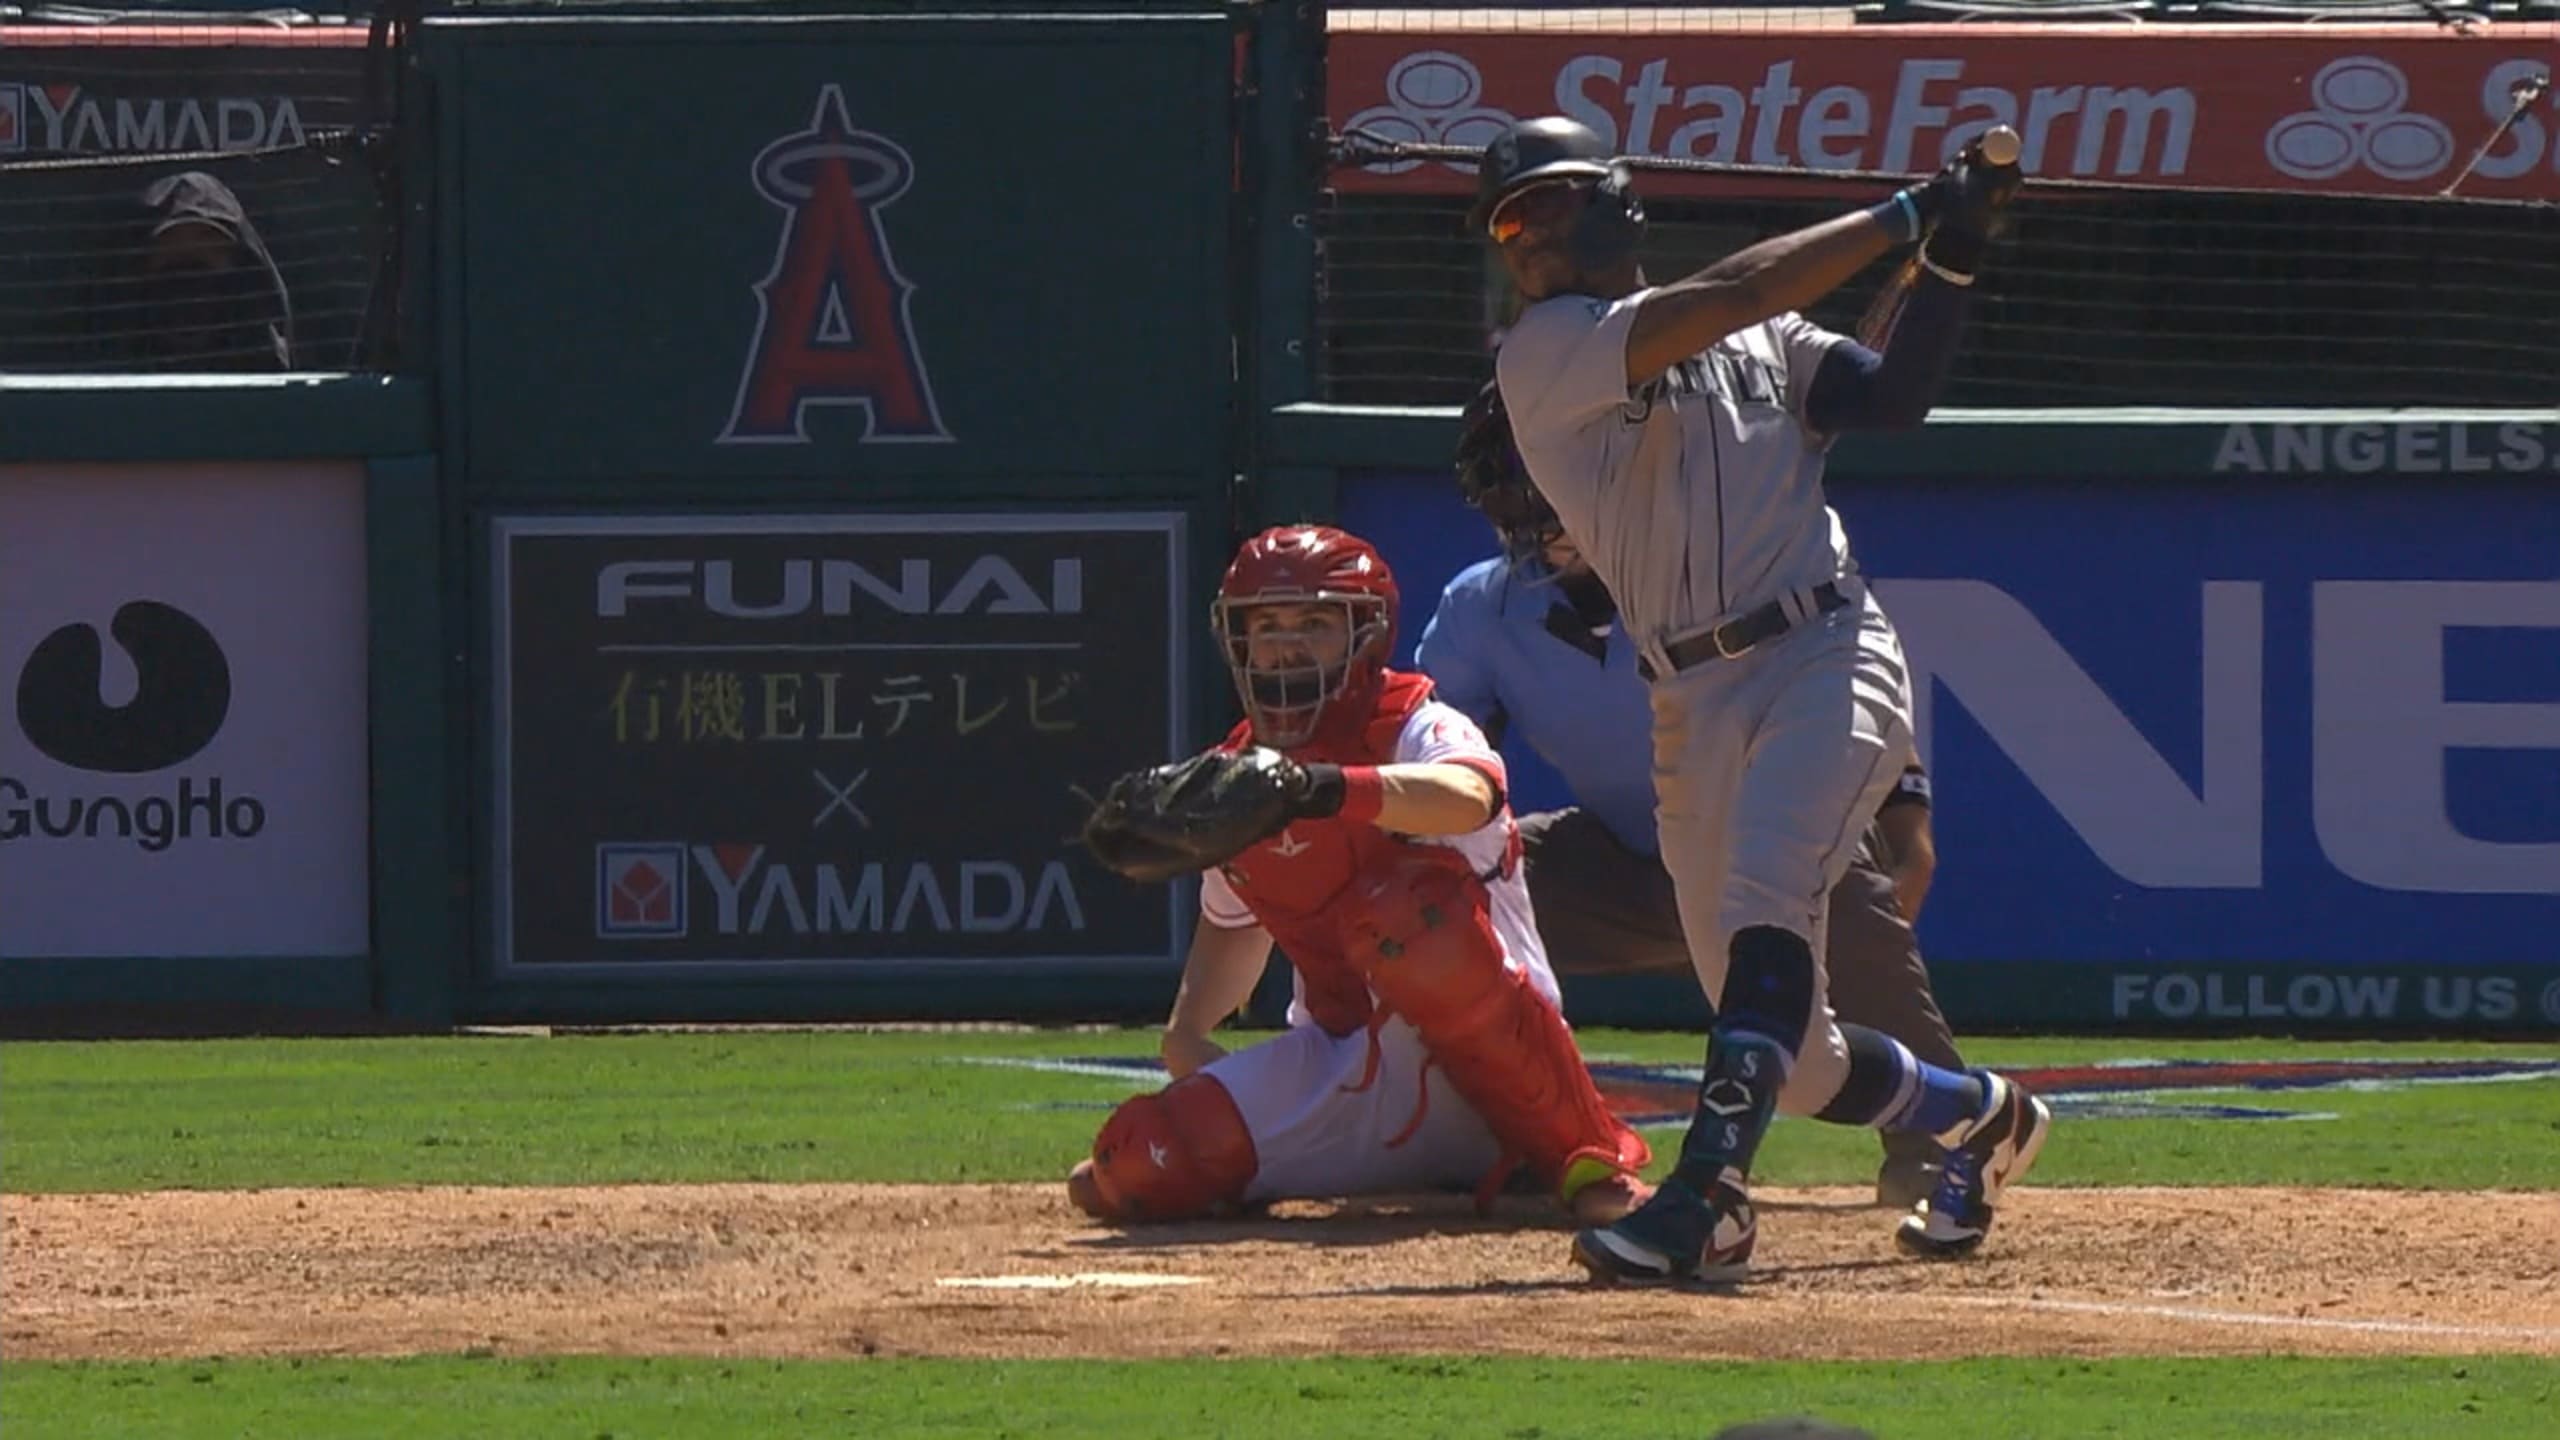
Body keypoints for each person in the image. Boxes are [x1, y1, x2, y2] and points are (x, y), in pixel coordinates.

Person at [1474, 114, 2051, 1284]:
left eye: (1545, 206)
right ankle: (1988, 1116)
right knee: (1804, 1056)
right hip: (1688, 695)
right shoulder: (1542, 350)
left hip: (1823, 647)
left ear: (1614, 207)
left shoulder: (1770, 338)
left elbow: (1889, 399)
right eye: (1506, 221)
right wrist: (1904, 216)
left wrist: (1951, 254)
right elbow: (1722, 295)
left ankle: (1709, 1200)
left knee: (1762, 911)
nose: (1524, 238)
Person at [1417, 379, 1965, 1209]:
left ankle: (1947, 1145)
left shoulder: (1730, 566)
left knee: (1843, 893)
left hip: (1767, 850)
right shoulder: (1478, 609)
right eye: (1531, 494)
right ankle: (1490, 1138)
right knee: (1438, 902)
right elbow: (1437, 759)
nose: (1552, 520)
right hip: (1627, 866)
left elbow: (1849, 670)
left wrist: (1906, 824)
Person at [1066, 524, 1652, 1227]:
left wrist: (1325, 789)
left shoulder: (1416, 723)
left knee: (1407, 913)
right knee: (1128, 1166)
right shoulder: (1238, 779)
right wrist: (1188, 1036)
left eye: (1314, 623)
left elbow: (1472, 796)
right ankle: (1439, 1170)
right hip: (1348, 1066)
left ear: (1364, 637)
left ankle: (1583, 1159)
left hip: (1493, 1061)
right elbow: (1230, 929)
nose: (1285, 645)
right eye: (1267, 625)